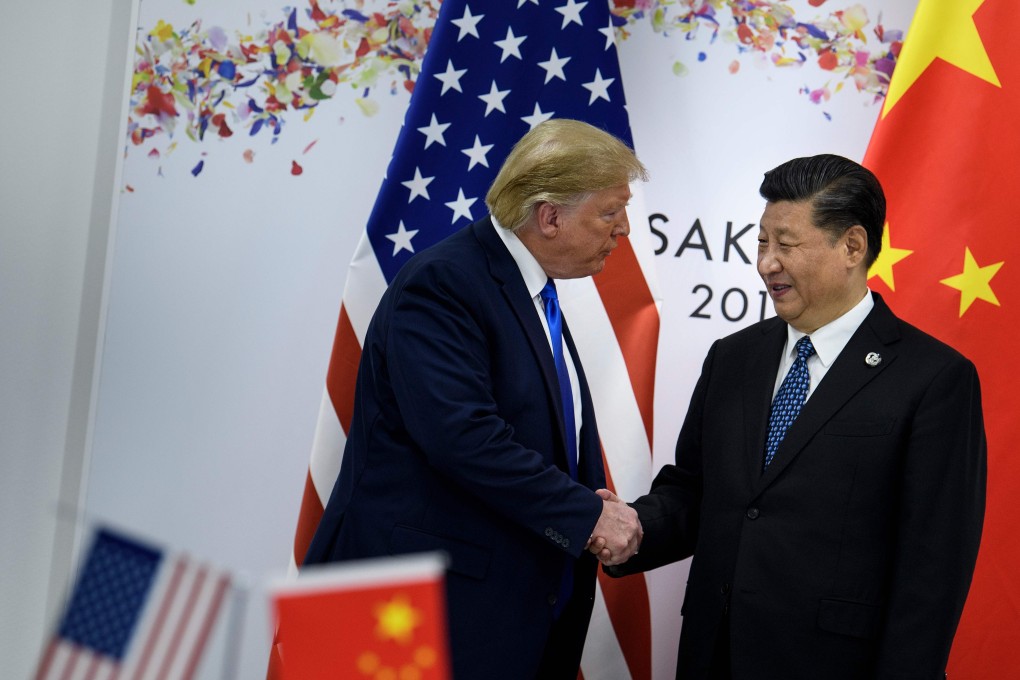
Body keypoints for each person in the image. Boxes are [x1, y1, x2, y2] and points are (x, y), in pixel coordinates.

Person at [597, 154, 986, 679]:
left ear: (851, 246)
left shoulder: (934, 379)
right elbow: (696, 491)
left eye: (786, 244)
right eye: (761, 242)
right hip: (713, 656)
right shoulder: (733, 357)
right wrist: (634, 527)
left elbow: (933, 569)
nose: (766, 263)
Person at [302, 119, 645, 679]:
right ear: (550, 215)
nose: (624, 230)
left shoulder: (529, 291)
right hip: (411, 618)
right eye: (610, 212)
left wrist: (586, 499)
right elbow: (462, 437)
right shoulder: (445, 284)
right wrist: (587, 514)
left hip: (490, 615)